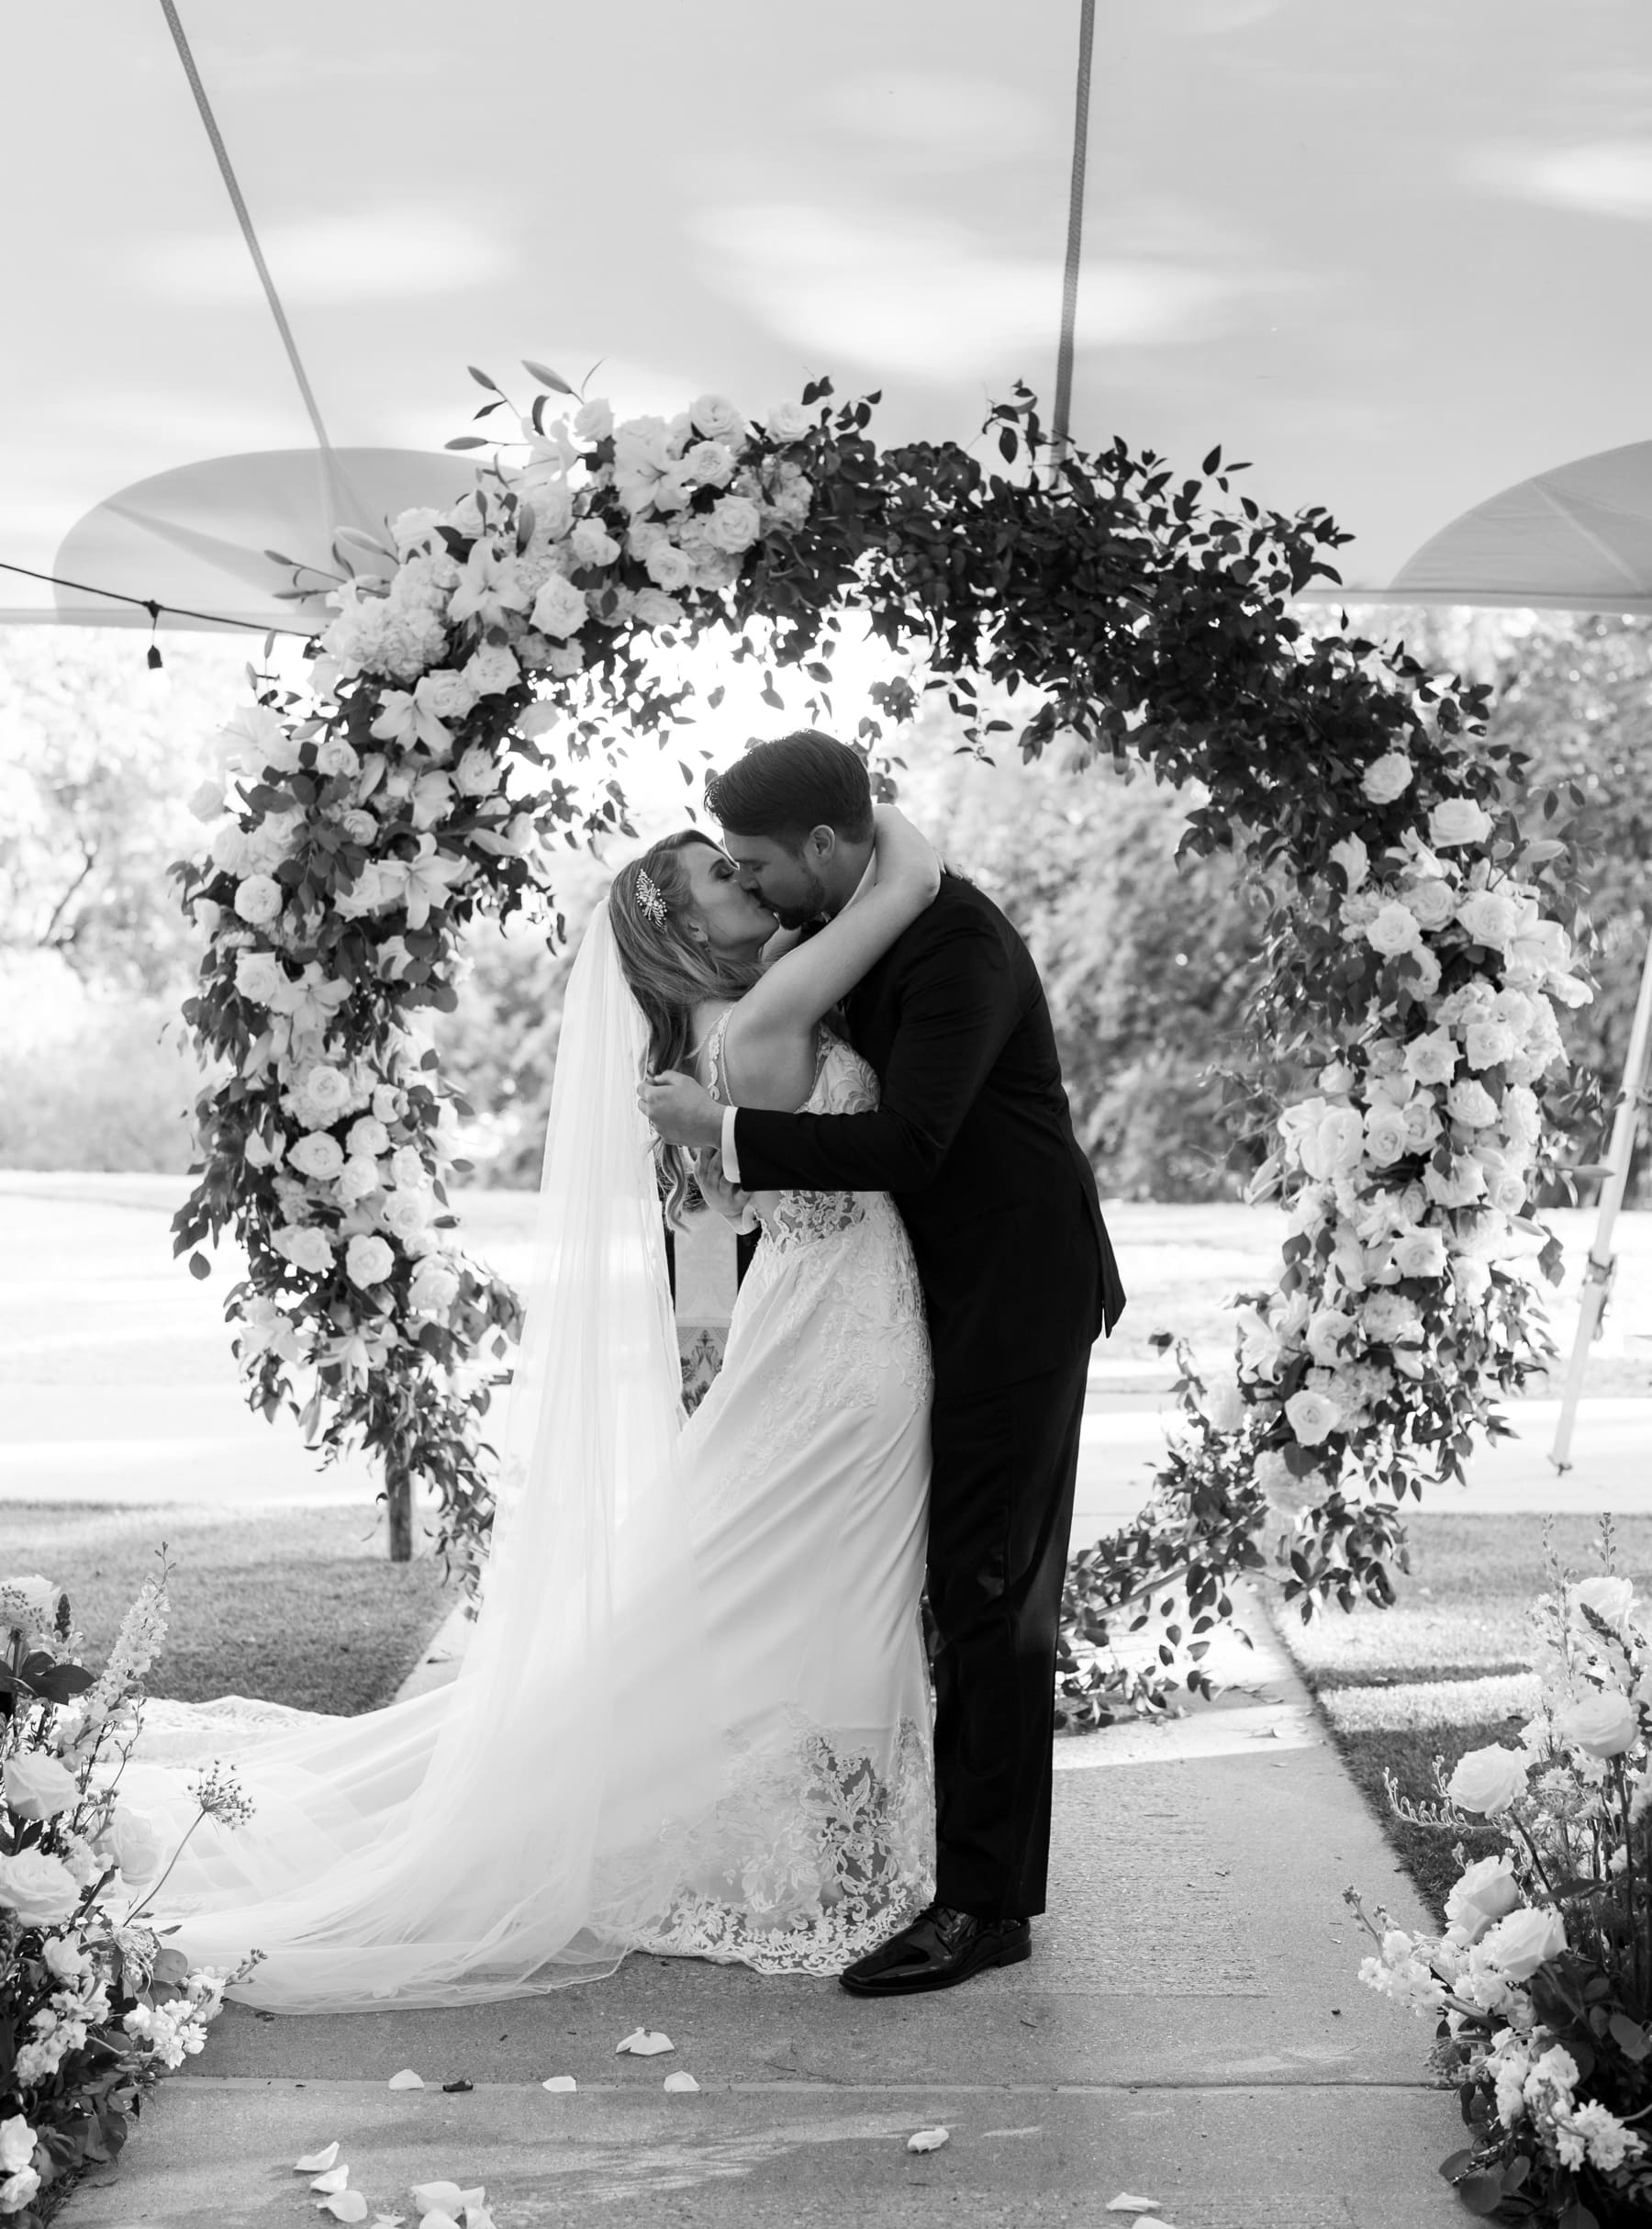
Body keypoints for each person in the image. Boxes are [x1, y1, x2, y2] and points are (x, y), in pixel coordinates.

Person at [118, 807, 947, 2007]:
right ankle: (847, 1855)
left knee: (796, 1590)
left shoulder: (748, 1009)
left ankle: (847, 1840)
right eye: (721, 873)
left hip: (829, 1323)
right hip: (847, 1338)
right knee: (833, 1592)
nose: (744, 875)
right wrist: (864, 835)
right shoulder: (760, 1018)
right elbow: (903, 880)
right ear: (672, 928)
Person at [643, 731, 1126, 1998]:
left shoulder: (955, 943)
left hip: (1014, 1293)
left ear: (821, 847)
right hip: (927, 1297)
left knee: (992, 1591)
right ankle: (953, 1863)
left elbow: (910, 1145)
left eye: (756, 864)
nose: (748, 886)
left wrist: (728, 1132)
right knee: (962, 1584)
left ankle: (983, 1909)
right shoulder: (861, 924)